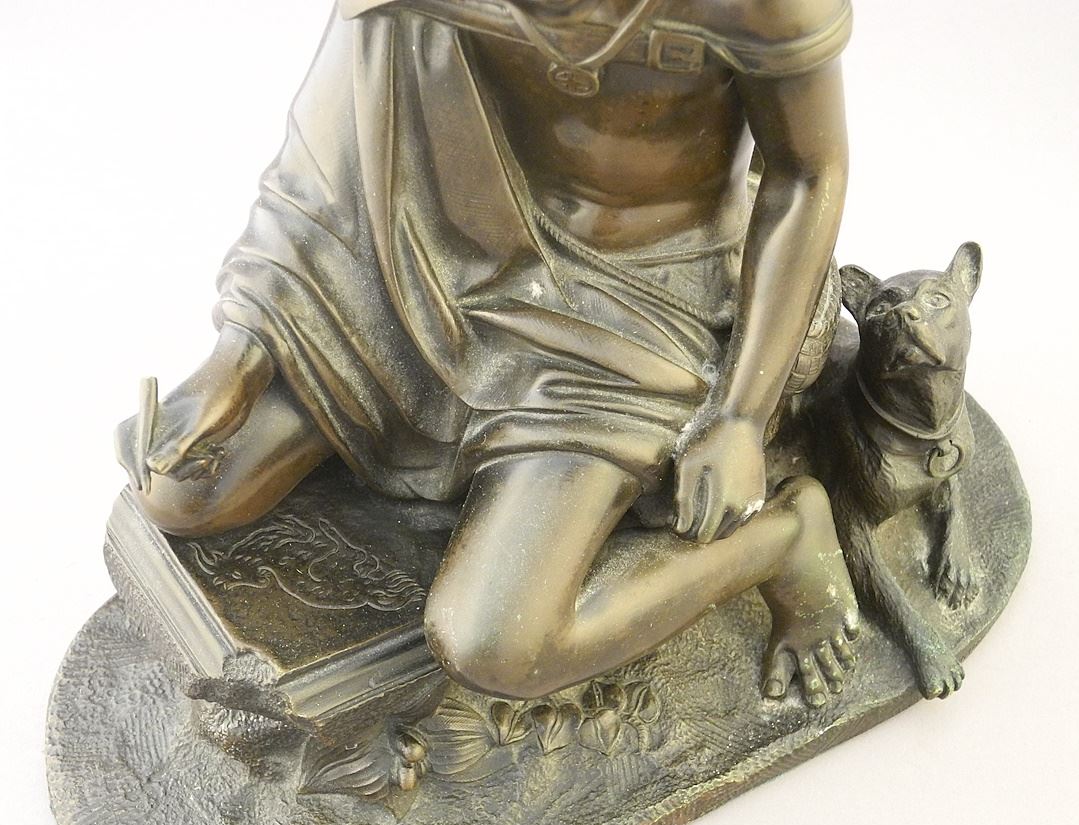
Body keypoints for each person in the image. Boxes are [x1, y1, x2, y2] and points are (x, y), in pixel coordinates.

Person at [116, 0, 860, 706]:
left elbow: (808, 173)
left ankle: (786, 535)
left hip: (635, 302)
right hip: (428, 264)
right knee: (180, 491)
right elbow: (324, 169)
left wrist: (738, 414)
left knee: (499, 646)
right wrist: (240, 358)